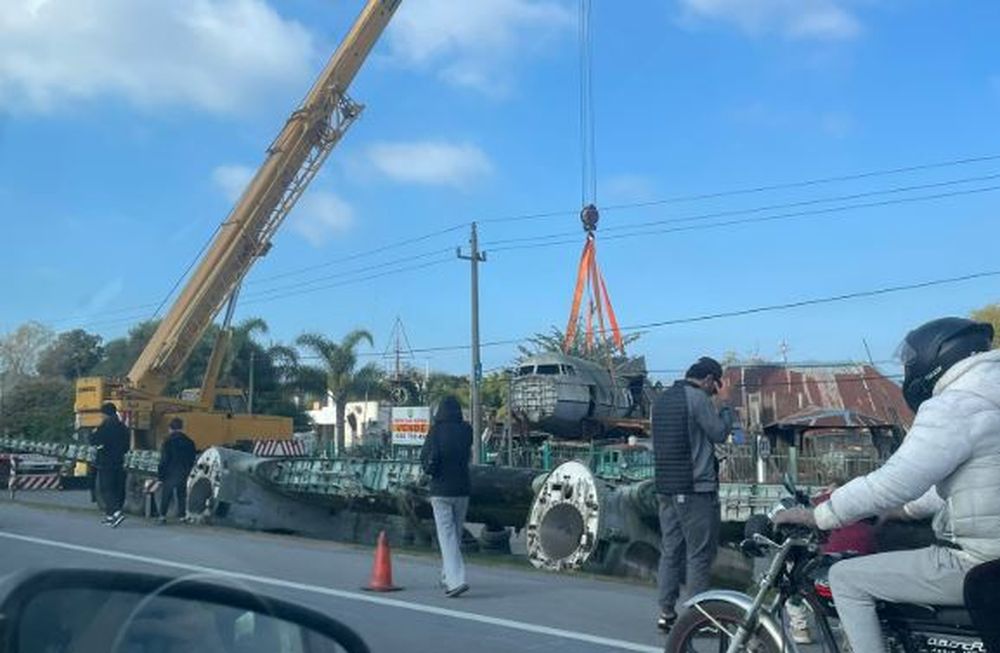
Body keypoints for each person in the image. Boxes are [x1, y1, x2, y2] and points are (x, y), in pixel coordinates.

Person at [774, 317, 1000, 653]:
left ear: (934, 359)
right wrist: (903, 511)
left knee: (846, 578)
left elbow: (895, 481)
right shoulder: (989, 395)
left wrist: (820, 515)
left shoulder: (956, 405)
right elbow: (967, 486)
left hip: (979, 561)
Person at [653, 356, 733, 631]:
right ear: (709, 379)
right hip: (696, 489)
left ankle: (666, 614)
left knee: (671, 550)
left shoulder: (661, 400)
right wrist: (725, 409)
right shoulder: (697, 398)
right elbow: (719, 433)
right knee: (699, 554)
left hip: (665, 487)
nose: (715, 391)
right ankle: (698, 619)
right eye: (715, 386)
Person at [420, 395, 472, 598]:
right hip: (463, 489)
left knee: (447, 536)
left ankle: (456, 581)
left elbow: (425, 458)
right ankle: (446, 574)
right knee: (455, 535)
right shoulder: (467, 431)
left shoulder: (436, 431)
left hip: (440, 490)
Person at [89, 402, 130, 528]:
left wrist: (92, 434)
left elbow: (95, 441)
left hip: (106, 462)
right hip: (120, 462)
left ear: (105, 414)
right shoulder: (123, 427)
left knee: (106, 489)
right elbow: (127, 446)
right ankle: (110, 516)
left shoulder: (104, 426)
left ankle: (116, 513)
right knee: (118, 488)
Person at [157, 417, 197, 524]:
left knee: (167, 494)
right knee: (182, 494)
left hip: (170, 472)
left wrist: (160, 475)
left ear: (170, 428)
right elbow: (192, 458)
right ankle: (182, 516)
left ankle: (162, 516)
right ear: (182, 428)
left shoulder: (168, 442)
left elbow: (164, 459)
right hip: (184, 471)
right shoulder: (190, 442)